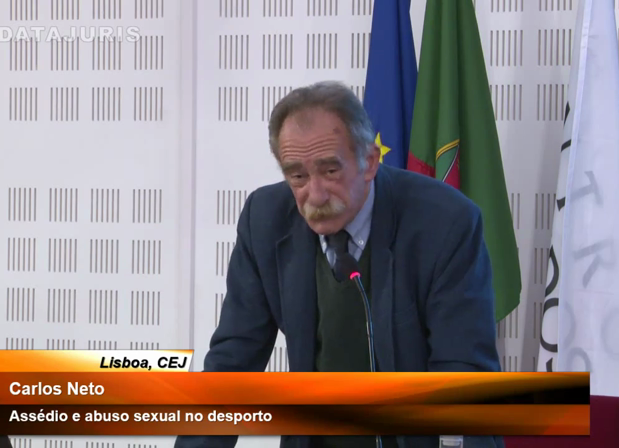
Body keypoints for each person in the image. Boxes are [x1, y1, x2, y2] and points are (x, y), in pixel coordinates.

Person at [175, 81, 504, 448]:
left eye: (330, 171)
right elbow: (232, 364)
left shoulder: (444, 222)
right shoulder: (265, 220)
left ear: (370, 162)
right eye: (297, 176)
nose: (314, 195)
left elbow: (462, 371)